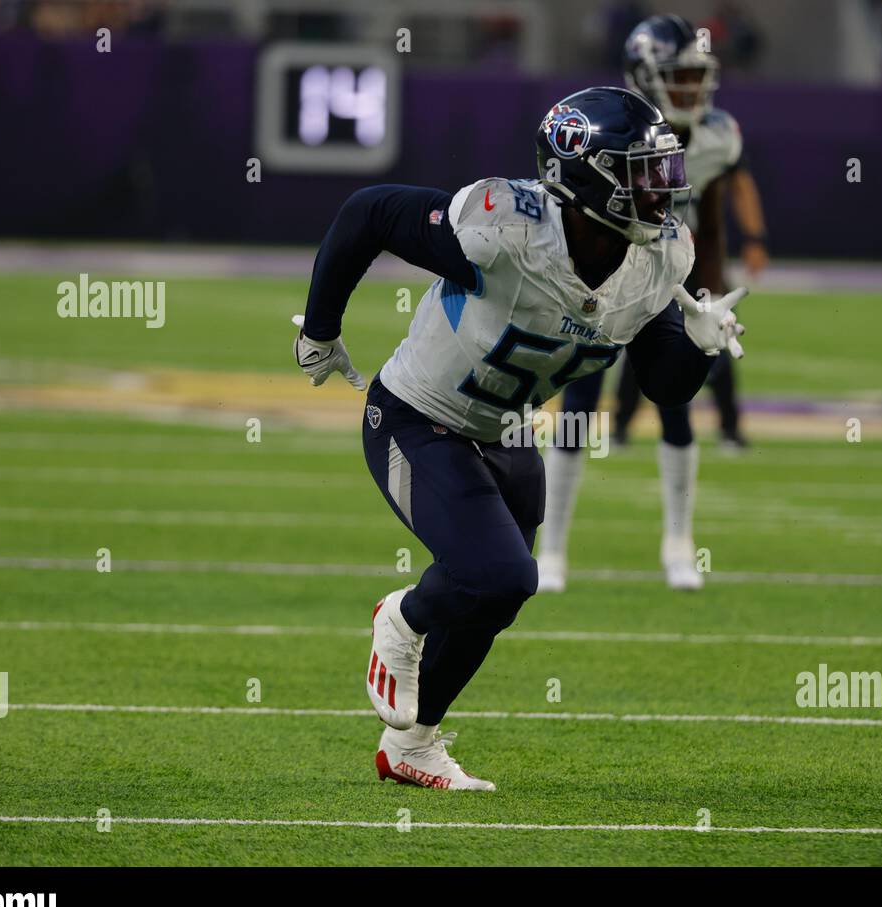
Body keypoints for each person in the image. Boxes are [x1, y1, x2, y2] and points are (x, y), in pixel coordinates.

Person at [292, 86, 746, 787]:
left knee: (497, 595)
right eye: (639, 172)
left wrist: (700, 345)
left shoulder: (656, 258)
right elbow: (371, 213)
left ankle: (413, 747)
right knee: (501, 573)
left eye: (662, 170)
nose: (661, 189)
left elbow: (664, 385)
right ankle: (403, 617)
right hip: (415, 417)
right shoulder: (506, 226)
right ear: (587, 175)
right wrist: (321, 327)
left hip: (506, 434)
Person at [538, 14, 751, 594]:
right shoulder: (614, 124)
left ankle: (679, 541)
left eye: (697, 76)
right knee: (578, 405)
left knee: (677, 403)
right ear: (645, 75)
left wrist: (706, 296)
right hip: (602, 280)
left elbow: (708, 226)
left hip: (664, 281)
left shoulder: (715, 137)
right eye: (680, 76)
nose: (694, 88)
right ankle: (551, 548)